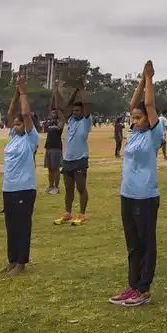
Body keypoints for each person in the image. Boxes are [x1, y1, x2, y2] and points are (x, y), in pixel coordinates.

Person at [111, 61, 165, 307]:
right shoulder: (135, 134)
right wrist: (141, 81)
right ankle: (132, 285)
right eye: (133, 118)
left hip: (145, 196)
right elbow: (135, 104)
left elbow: (148, 104)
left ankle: (143, 289)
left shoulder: (155, 133)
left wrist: (150, 78)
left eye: (139, 118)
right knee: (132, 243)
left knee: (145, 242)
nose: (134, 120)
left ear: (149, 119)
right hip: (128, 194)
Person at [0, 75, 40, 276]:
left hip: (25, 188)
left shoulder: (30, 139)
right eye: (14, 124)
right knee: (11, 225)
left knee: (22, 226)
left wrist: (23, 92)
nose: (15, 126)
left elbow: (24, 114)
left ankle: (22, 262)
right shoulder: (13, 137)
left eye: (19, 123)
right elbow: (10, 114)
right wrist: (15, 94)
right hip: (9, 188)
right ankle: (12, 259)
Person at [54, 80, 92, 225]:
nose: (75, 112)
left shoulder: (86, 121)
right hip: (68, 160)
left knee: (81, 187)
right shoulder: (70, 121)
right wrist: (72, 92)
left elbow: (87, 105)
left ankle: (82, 214)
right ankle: (68, 214)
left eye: (78, 111)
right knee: (68, 188)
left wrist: (81, 90)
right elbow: (65, 107)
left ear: (82, 112)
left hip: (80, 159)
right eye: (74, 111)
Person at [42, 102, 64, 195]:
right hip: (49, 147)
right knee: (50, 168)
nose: (53, 114)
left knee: (56, 168)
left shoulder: (60, 122)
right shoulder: (49, 123)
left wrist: (59, 112)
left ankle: (56, 187)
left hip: (56, 147)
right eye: (52, 113)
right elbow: (44, 128)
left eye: (55, 113)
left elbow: (61, 122)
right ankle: (50, 185)